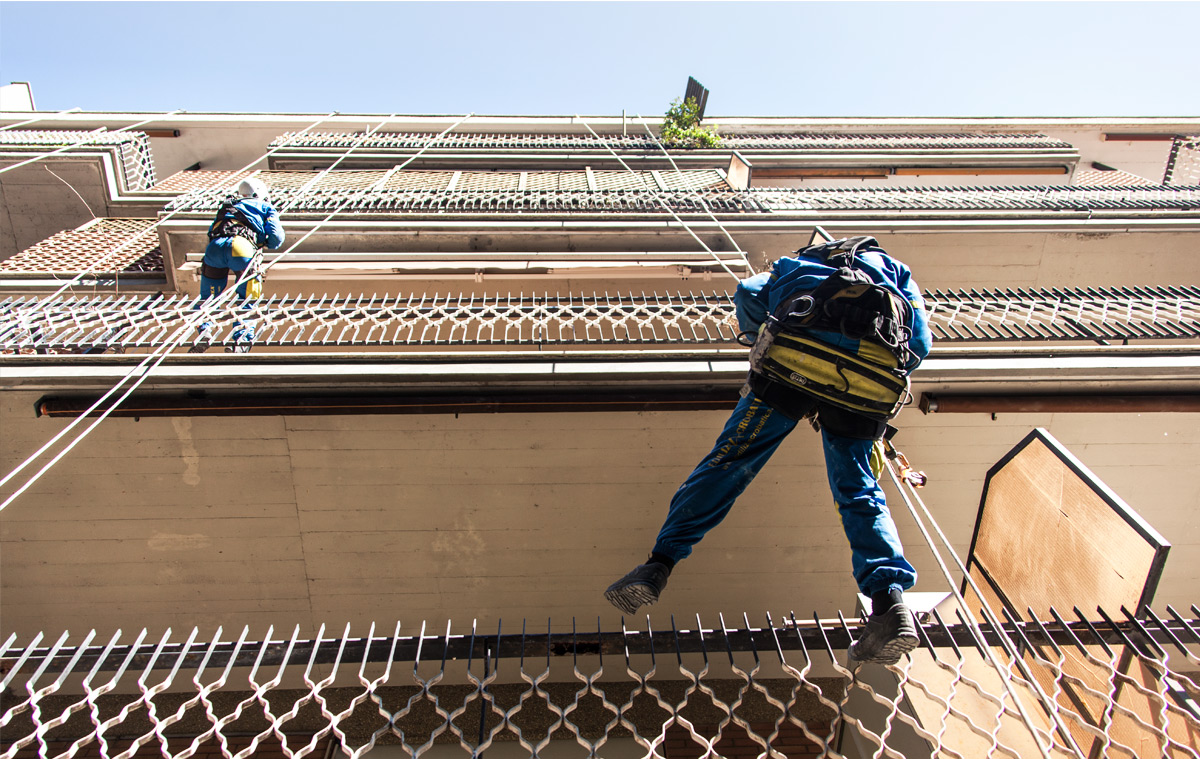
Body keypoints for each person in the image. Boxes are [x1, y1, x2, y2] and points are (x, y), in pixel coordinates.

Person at [604, 235, 932, 665]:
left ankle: (658, 564)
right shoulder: (893, 270)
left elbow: (749, 294)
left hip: (790, 369)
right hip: (865, 387)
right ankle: (889, 604)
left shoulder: (795, 265)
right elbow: (919, 344)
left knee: (730, 462)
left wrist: (759, 334)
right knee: (858, 489)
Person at [190, 177, 284, 353]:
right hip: (241, 248)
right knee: (247, 299)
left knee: (208, 297)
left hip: (214, 248)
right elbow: (276, 238)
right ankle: (240, 341)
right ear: (260, 194)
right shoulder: (265, 206)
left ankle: (205, 331)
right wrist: (265, 242)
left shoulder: (228, 205)